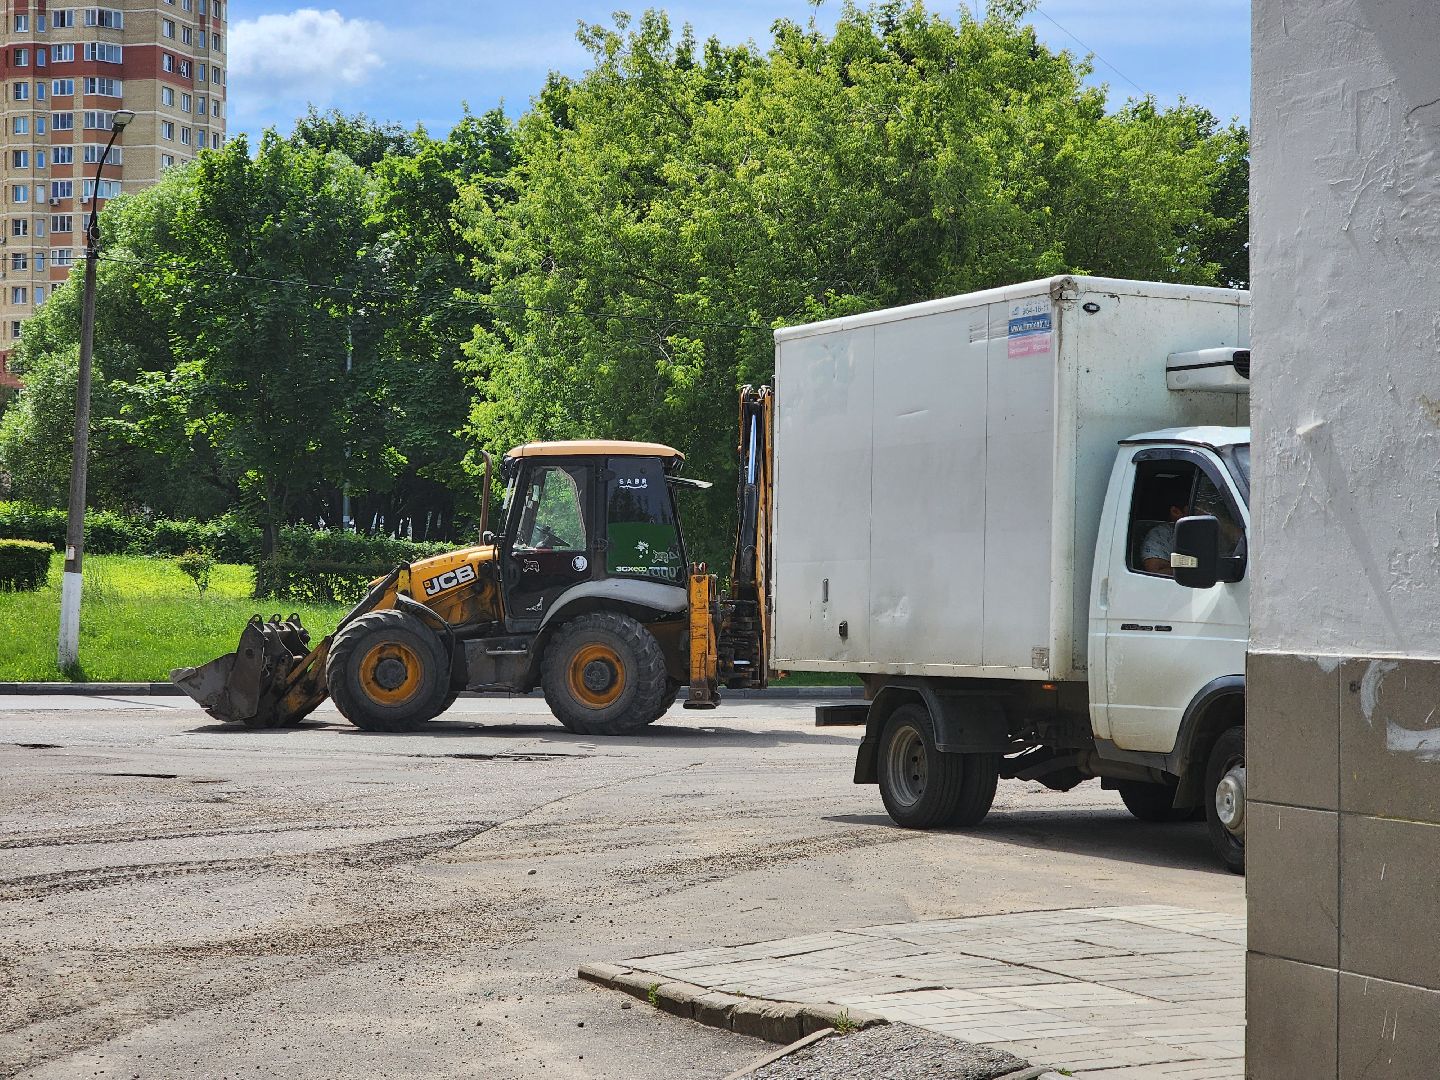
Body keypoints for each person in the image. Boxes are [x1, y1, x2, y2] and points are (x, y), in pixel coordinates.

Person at [1141, 478, 1192, 576]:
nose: (1204, 513)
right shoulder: (1161, 534)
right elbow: (1155, 569)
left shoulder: (1211, 528)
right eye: (1195, 508)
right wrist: (1194, 564)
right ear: (1175, 511)